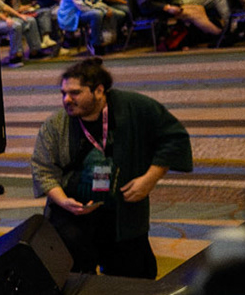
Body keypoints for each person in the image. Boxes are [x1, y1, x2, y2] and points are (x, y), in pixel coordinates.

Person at [30, 59, 192, 279]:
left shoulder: (134, 108)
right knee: (72, 280)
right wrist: (63, 201)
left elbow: (174, 138)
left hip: (123, 212)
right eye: (63, 93)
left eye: (75, 93)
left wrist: (150, 178)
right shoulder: (56, 125)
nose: (66, 100)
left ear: (99, 91)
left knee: (134, 281)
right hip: (73, 214)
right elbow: (43, 169)